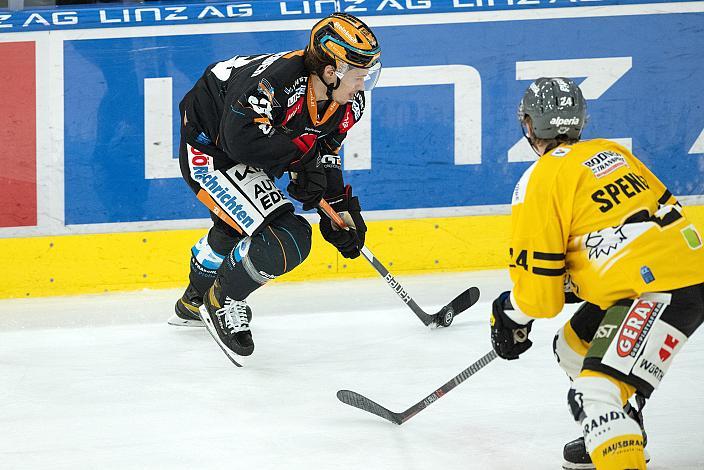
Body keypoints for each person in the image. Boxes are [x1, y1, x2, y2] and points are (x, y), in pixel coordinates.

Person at [489, 77, 704, 469]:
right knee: (573, 346)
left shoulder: (538, 180)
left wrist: (509, 315)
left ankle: (617, 439)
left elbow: (540, 296)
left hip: (656, 291)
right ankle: (620, 435)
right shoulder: (611, 152)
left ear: (528, 125)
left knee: (595, 392)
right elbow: (636, 230)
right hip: (677, 273)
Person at [167, 13, 381, 363]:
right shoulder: (274, 83)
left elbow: (325, 152)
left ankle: (193, 299)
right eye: (360, 77)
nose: (362, 86)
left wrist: (339, 209)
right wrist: (301, 164)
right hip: (211, 148)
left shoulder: (346, 101)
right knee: (289, 237)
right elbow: (242, 143)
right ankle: (221, 302)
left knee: (240, 223)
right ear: (331, 72)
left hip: (253, 141)